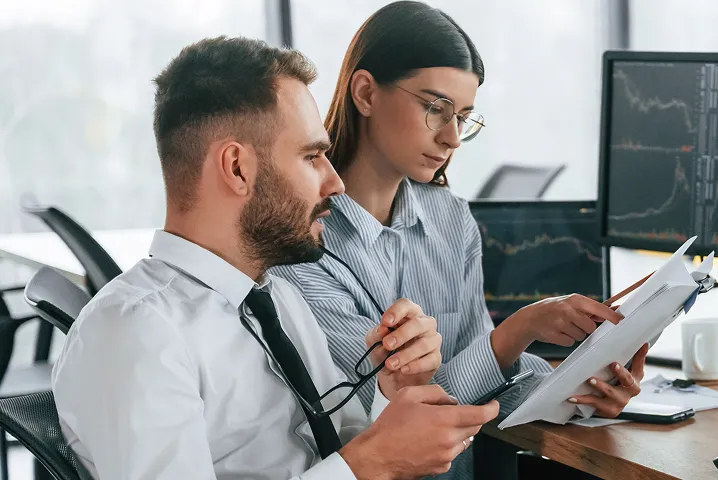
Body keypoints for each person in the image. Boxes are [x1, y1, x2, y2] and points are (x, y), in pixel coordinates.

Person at [51, 36, 497, 479]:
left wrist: (389, 390)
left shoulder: (277, 296)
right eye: (312, 157)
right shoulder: (135, 331)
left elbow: (340, 446)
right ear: (238, 168)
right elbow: (354, 467)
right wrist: (372, 463)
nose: (335, 183)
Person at [270, 2, 646, 476]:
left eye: (464, 117)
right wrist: (518, 331)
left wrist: (582, 391)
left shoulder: (450, 219)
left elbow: (487, 384)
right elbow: (388, 411)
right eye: (435, 108)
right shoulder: (299, 245)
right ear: (365, 93)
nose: (452, 138)